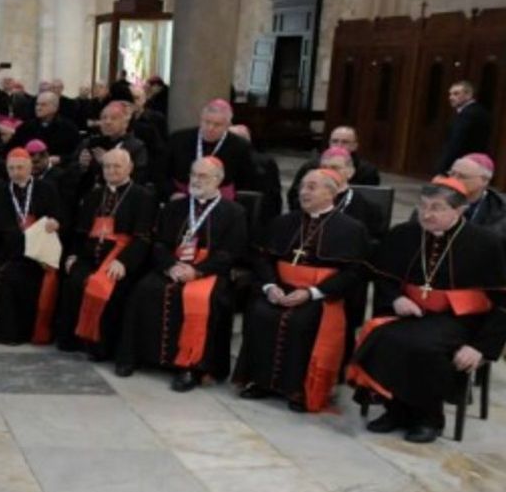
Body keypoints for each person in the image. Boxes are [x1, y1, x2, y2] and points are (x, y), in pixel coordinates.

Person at [348, 176, 506, 442]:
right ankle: (395, 409)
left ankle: (429, 418)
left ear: (458, 210)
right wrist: (396, 299)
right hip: (411, 312)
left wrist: (481, 347)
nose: (427, 214)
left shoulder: (486, 243)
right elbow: (382, 276)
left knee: (424, 347)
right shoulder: (404, 235)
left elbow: (502, 301)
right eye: (423, 206)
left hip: (459, 319)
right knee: (384, 337)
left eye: (436, 208)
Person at [233, 168, 370, 412]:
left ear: (331, 193)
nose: (303, 192)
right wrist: (270, 286)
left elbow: (353, 274)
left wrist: (312, 293)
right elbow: (262, 259)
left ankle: (299, 389)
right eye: (303, 186)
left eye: (312, 187)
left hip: (321, 295)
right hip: (281, 287)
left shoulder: (351, 229)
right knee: (260, 312)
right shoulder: (284, 222)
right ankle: (262, 382)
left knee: (303, 320)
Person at [117, 157, 249, 390]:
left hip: (208, 272)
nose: (196, 180)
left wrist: (197, 271)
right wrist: (170, 266)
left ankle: (190, 367)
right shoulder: (175, 207)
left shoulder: (234, 212)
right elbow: (158, 244)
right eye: (193, 175)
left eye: (203, 176)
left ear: (218, 180)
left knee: (200, 299)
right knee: (144, 289)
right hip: (173, 266)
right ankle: (137, 355)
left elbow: (231, 252)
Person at [53, 148, 157, 358]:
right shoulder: (93, 195)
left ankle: (100, 346)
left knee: (108, 285)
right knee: (74, 280)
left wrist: (124, 262)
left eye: (117, 166)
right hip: (89, 256)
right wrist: (73, 254)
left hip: (120, 258)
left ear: (129, 168)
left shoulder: (143, 196)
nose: (111, 170)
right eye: (107, 166)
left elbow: (143, 237)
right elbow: (80, 230)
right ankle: (75, 340)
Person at [0, 148, 64, 344]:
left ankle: (13, 333)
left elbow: (58, 216)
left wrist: (55, 222)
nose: (16, 172)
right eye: (11, 168)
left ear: (30, 167)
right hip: (7, 249)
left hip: (35, 254)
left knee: (13, 278)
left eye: (20, 167)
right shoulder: (0, 190)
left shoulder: (47, 188)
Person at [167, 99, 253, 199]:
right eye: (207, 122)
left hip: (222, 200)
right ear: (201, 119)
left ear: (227, 125)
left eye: (217, 124)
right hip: (182, 196)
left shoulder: (239, 146)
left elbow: (245, 179)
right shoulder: (179, 139)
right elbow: (162, 171)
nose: (210, 128)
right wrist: (172, 192)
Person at [286, 126, 380, 210]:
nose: (339, 145)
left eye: (345, 142)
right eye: (335, 141)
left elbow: (370, 202)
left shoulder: (367, 171)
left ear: (355, 146)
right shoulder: (311, 167)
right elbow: (294, 197)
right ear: (329, 143)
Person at [447, 153, 506, 245]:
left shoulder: (500, 208)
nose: (453, 180)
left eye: (462, 176)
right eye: (452, 174)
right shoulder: (436, 198)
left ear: (484, 180)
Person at [436, 81, 493, 173]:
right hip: (475, 164)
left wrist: (442, 168)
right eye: (450, 94)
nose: (451, 97)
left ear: (468, 95)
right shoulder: (480, 111)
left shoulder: (468, 114)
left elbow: (456, 143)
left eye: (456, 94)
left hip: (462, 165)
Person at [14, 91, 82, 160]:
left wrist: (61, 159)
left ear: (55, 107)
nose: (38, 108)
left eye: (43, 105)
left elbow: (77, 153)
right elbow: (13, 149)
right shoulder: (26, 127)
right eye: (37, 104)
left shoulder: (69, 128)